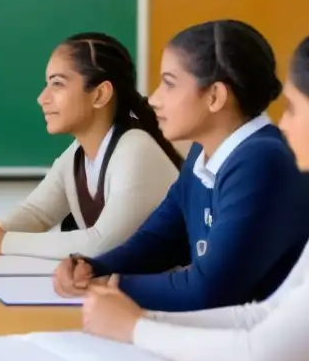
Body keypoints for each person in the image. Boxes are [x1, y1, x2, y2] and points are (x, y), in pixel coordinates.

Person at [79, 34, 309, 361]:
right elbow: (261, 315)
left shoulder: (263, 157)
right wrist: (101, 276)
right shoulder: (205, 159)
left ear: (215, 96)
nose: (284, 121)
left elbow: (244, 323)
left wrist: (133, 320)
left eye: (294, 107)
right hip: (253, 360)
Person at [54, 19, 309, 313]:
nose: (154, 99)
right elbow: (159, 240)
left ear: (215, 97)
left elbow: (208, 291)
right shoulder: (205, 152)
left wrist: (112, 285)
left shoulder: (263, 160)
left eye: (169, 84)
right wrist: (91, 267)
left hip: (267, 348)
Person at [0, 33, 182, 259]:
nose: (42, 98)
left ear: (100, 94)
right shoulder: (77, 155)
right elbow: (37, 214)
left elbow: (101, 244)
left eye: (57, 84)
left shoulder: (135, 149)